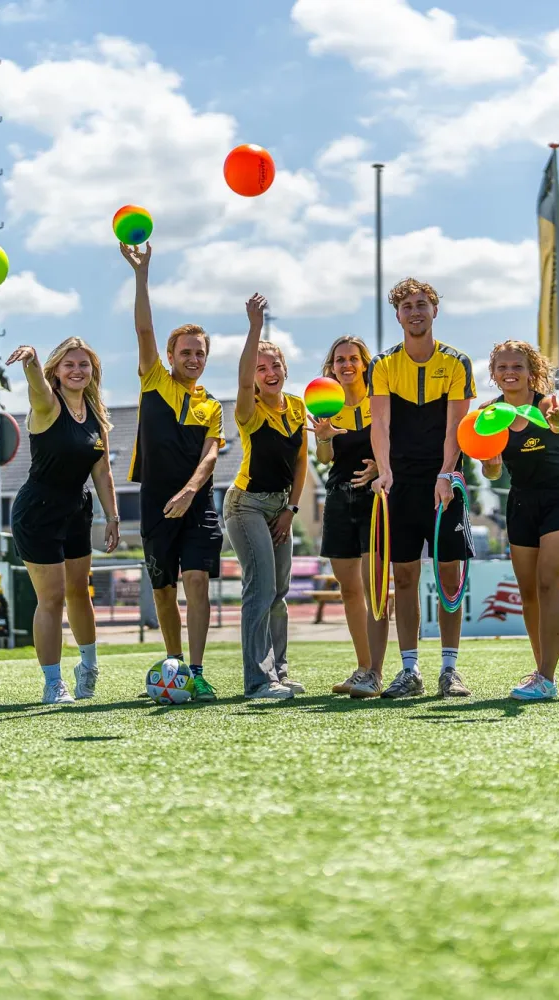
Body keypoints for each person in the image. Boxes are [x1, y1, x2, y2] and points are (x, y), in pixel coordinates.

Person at [120, 241, 224, 702]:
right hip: (155, 504)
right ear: (170, 354)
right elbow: (143, 327)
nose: (193, 358)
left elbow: (210, 458)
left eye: (199, 352)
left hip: (197, 504)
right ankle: (174, 665)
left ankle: (197, 671)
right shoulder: (154, 380)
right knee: (163, 590)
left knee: (196, 581)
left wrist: (188, 493)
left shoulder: (212, 405)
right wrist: (141, 275)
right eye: (185, 352)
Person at [369, 277, 475, 699]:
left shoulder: (456, 362)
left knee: (449, 575)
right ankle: (409, 670)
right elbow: (380, 423)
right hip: (401, 483)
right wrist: (384, 471)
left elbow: (455, 426)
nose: (415, 312)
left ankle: (450, 670)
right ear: (397, 315)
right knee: (405, 575)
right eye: (407, 306)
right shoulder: (383, 364)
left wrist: (446, 473)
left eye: (422, 304)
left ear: (435, 310)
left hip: (443, 481)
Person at [7, 337, 120, 705]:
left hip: (77, 508)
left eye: (83, 365)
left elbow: (102, 472)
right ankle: (53, 683)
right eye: (69, 364)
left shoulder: (96, 417)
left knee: (79, 592)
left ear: (93, 372)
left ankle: (88, 666)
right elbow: (37, 387)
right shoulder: (47, 405)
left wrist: (112, 516)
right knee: (52, 598)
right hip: (38, 510)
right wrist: (31, 362)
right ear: (56, 370)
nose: (77, 370)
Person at [479, 340, 559, 701]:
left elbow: (558, 424)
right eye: (502, 368)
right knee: (527, 593)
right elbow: (492, 472)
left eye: (517, 367)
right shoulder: (488, 413)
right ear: (494, 374)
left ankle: (546, 676)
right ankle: (541, 673)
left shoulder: (546, 403)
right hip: (521, 502)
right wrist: (491, 464)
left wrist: (558, 423)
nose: (510, 373)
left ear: (531, 372)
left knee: (547, 586)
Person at [225, 294, 309, 700]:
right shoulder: (249, 409)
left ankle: (278, 670)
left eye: (275, 365)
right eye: (261, 368)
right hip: (246, 506)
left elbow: (302, 464)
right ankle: (258, 681)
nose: (269, 372)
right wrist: (255, 327)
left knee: (278, 592)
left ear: (286, 370)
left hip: (281, 507)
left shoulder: (297, 406)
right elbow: (241, 383)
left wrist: (291, 510)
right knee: (259, 590)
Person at [309, 336, 388, 698]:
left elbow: (397, 444)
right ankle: (362, 667)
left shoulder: (381, 401)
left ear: (365, 363)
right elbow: (324, 461)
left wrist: (379, 468)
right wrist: (323, 437)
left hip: (376, 501)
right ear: (332, 367)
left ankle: (377, 671)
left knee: (374, 589)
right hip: (339, 500)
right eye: (340, 359)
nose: (347, 365)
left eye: (354, 358)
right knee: (349, 589)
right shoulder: (326, 405)